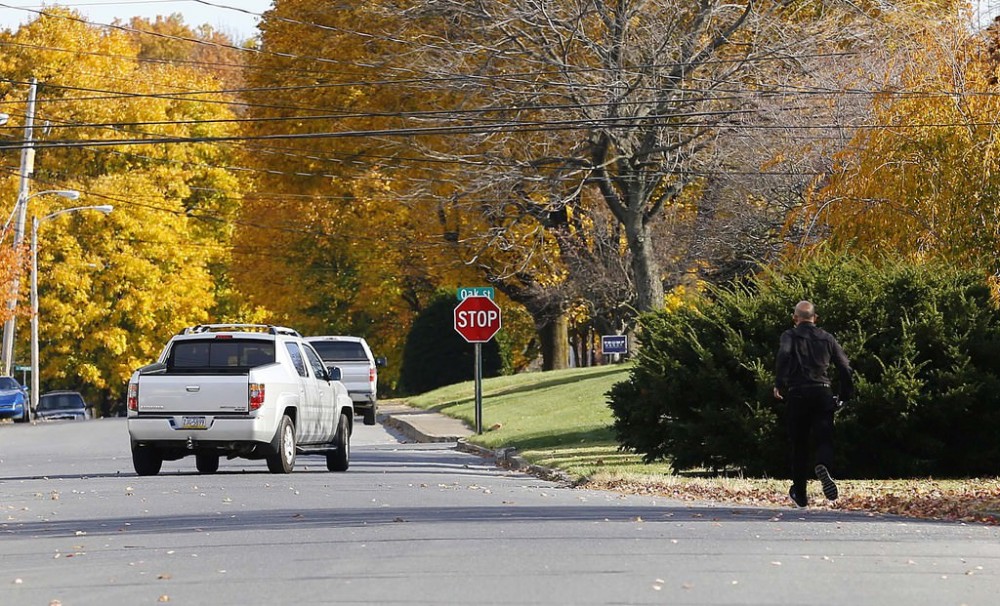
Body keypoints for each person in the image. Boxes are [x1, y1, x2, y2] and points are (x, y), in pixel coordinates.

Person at [773, 300, 854, 507]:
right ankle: (823, 465)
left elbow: (783, 356)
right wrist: (845, 394)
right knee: (824, 438)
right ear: (815, 318)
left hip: (798, 393)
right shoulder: (827, 338)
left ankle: (800, 493)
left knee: (799, 444)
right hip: (822, 392)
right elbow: (845, 366)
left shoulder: (789, 336)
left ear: (795, 318)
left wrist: (779, 384)